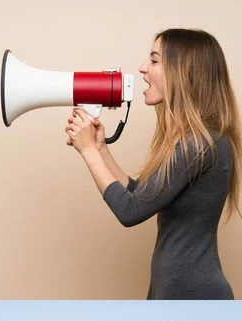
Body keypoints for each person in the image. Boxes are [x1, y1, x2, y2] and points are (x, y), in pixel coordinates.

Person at [65, 29, 241, 299]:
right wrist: (101, 149)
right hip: (178, 290)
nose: (143, 68)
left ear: (183, 72)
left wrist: (88, 151)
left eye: (155, 60)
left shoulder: (199, 143)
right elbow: (142, 195)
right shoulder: (203, 139)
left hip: (192, 294)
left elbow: (130, 211)